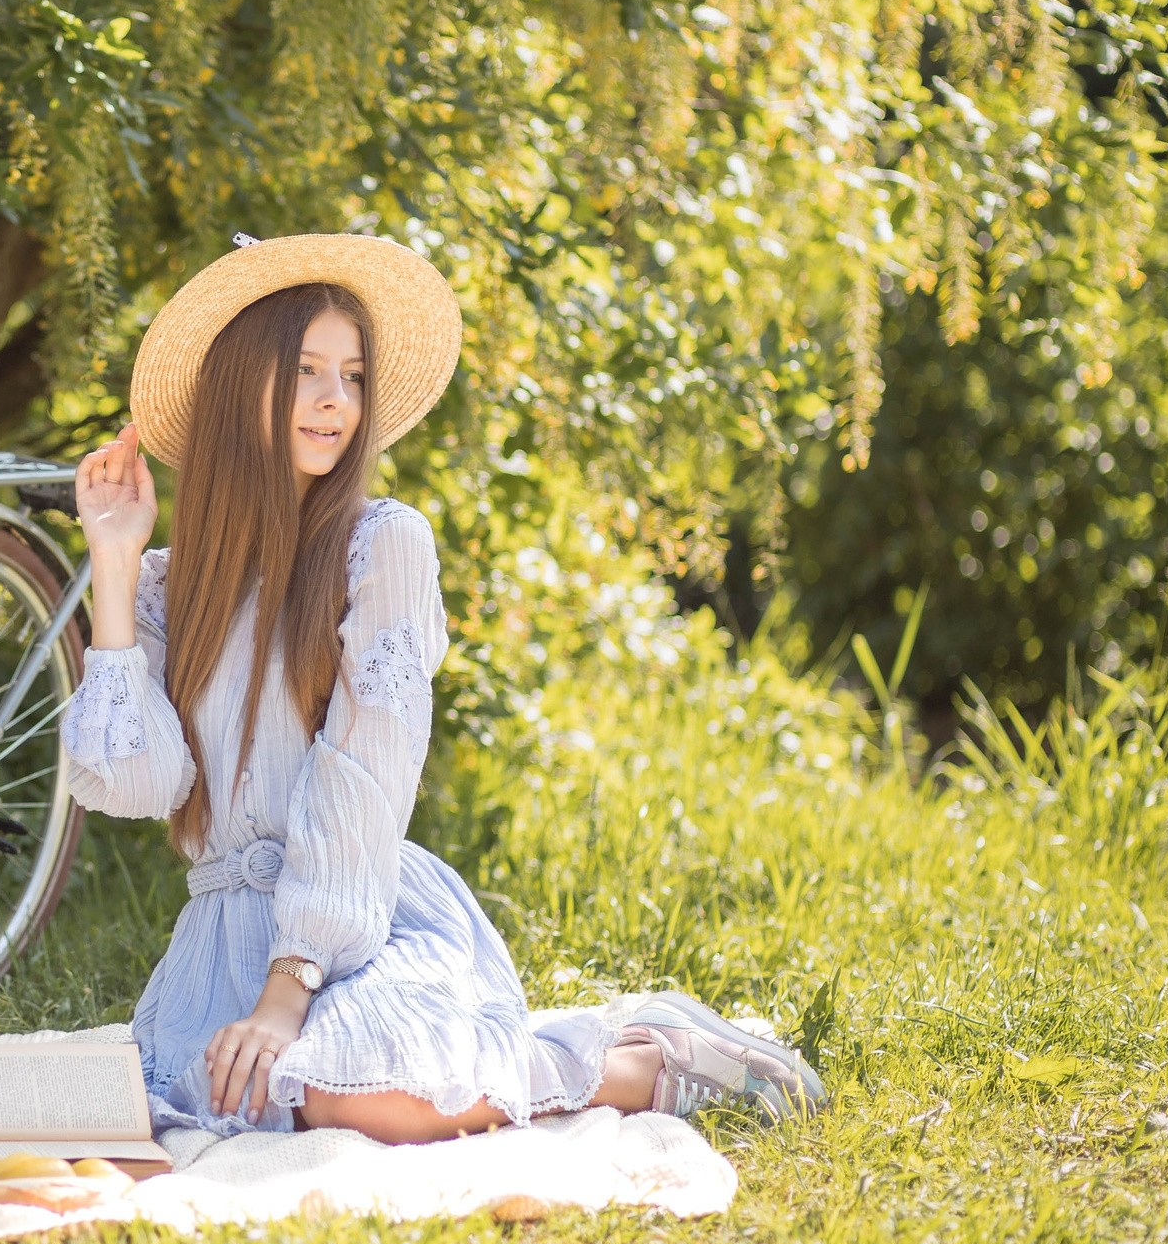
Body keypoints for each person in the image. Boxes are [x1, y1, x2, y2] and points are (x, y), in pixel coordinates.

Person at [61, 234, 826, 1141]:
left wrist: (288, 990)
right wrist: (111, 561)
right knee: (271, 1101)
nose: (334, 400)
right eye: (305, 369)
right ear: (238, 386)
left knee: (364, 1101)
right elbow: (132, 784)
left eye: (351, 375)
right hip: (223, 946)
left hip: (358, 916)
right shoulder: (166, 586)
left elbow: (365, 774)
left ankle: (644, 1062)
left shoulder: (380, 545)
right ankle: (560, 1052)